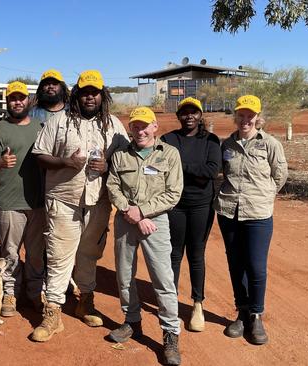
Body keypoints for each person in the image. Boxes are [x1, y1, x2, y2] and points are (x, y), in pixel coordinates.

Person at [31, 70, 129, 342]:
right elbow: (39, 155)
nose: (90, 96)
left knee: (89, 253)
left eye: (94, 92)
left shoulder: (113, 125)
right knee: (59, 254)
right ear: (76, 94)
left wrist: (108, 166)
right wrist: (65, 162)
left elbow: (128, 160)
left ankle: (85, 301)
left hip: (98, 201)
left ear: (102, 95)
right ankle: (52, 313)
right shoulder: (59, 121)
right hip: (63, 199)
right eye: (85, 91)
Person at [106, 107, 183, 365]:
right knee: (125, 274)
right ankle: (131, 322)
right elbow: (112, 186)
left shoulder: (169, 155)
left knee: (162, 278)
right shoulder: (120, 156)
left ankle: (170, 334)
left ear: (154, 127)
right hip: (126, 219)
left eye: (144, 126)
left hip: (156, 221)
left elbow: (173, 193)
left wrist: (143, 212)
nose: (139, 131)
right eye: (135, 126)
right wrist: (130, 211)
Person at [215, 95, 288, 345]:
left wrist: (264, 197)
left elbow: (280, 176)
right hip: (228, 212)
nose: (245, 120)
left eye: (250, 116)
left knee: (256, 266)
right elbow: (222, 176)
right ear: (236, 117)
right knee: (236, 264)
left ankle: (256, 315)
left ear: (258, 118)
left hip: (258, 214)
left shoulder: (270, 144)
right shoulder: (227, 145)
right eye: (241, 115)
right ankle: (242, 311)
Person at [0, 81, 46, 318]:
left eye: (21, 98)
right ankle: (10, 293)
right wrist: (0, 163)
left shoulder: (40, 127)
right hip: (8, 202)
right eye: (13, 98)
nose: (17, 102)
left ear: (28, 101)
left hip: (38, 202)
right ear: (7, 102)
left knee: (36, 252)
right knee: (10, 252)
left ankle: (35, 291)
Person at [161, 97, 221, 332]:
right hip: (174, 205)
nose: (189, 116)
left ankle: (197, 304)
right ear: (178, 116)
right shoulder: (168, 139)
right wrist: (192, 171)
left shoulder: (211, 140)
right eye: (184, 112)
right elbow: (160, 169)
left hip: (201, 206)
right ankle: (171, 304)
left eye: (193, 112)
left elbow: (211, 171)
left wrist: (180, 167)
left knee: (196, 255)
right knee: (174, 254)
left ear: (200, 115)